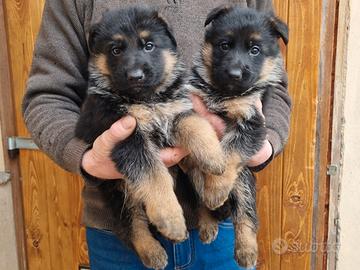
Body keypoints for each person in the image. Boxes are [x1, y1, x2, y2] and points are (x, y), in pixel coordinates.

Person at [22, 0, 291, 269]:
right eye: (116, 49)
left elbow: (274, 85)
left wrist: (262, 144)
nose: (135, 69)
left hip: (221, 224)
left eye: (148, 45)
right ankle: (139, 235)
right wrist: (86, 159)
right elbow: (47, 96)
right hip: (115, 239)